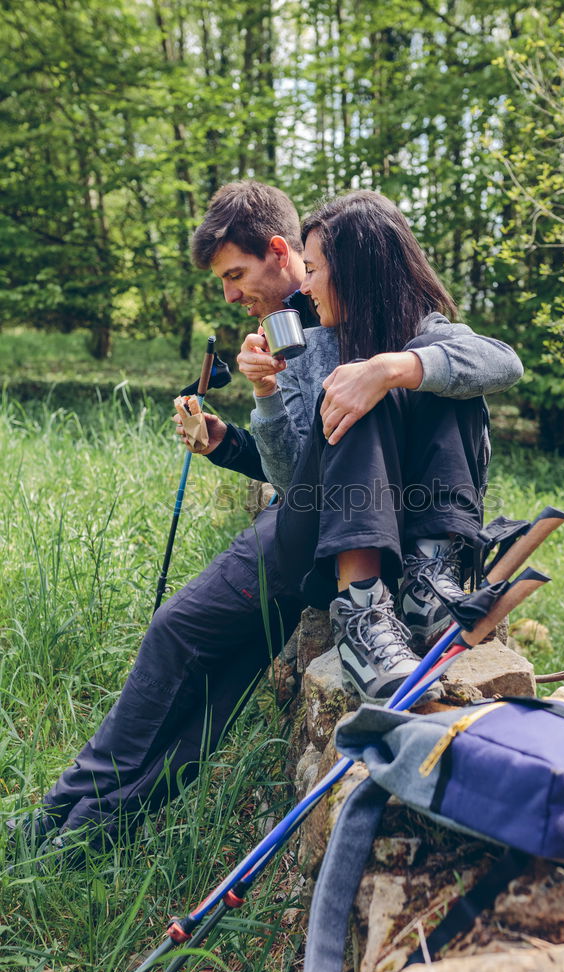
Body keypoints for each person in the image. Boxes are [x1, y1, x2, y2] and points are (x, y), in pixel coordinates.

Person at [11, 181, 522, 856]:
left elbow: (501, 362)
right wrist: (257, 403)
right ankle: (77, 826)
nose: (302, 288)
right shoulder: (300, 337)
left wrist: (392, 368)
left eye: (237, 275)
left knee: (187, 639)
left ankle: (414, 589)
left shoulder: (410, 336)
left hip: (357, 537)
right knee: (197, 655)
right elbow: (294, 474)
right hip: (318, 526)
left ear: (295, 255)